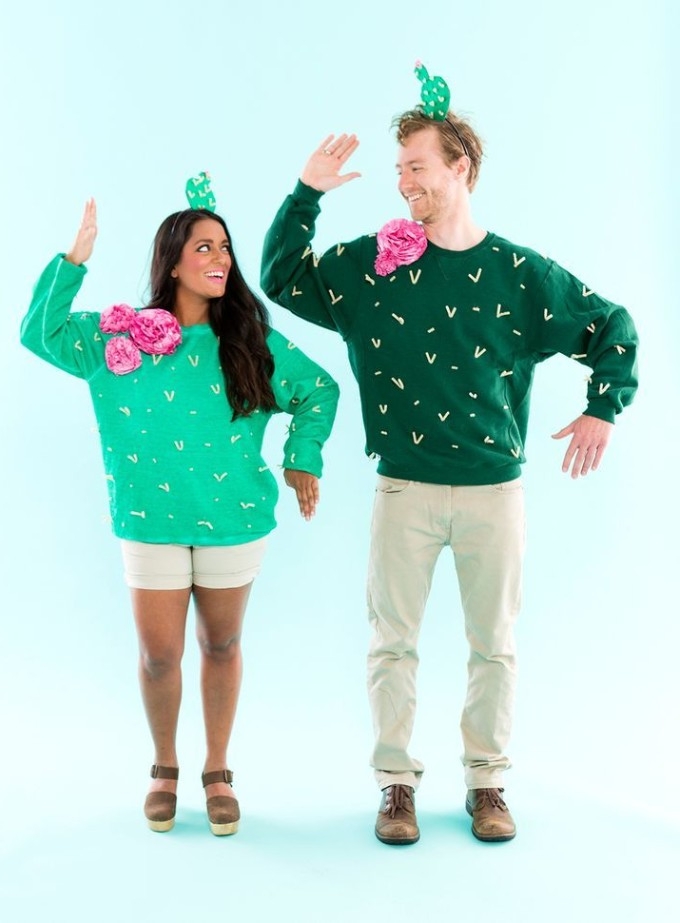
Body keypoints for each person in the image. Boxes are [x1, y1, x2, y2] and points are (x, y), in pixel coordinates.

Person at [260, 64, 638, 845]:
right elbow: (279, 278)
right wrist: (307, 192)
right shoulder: (374, 266)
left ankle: (488, 784)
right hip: (402, 491)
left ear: (459, 166)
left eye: (416, 168)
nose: (403, 184)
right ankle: (395, 784)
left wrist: (604, 407)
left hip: (494, 495)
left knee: (493, 645)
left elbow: (613, 327)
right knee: (391, 642)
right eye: (399, 170)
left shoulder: (523, 275)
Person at [21, 191, 339, 836]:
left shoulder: (250, 342)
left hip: (234, 518)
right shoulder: (118, 339)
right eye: (203, 247)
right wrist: (72, 261)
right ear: (171, 263)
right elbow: (39, 332)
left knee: (221, 644)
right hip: (149, 522)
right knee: (159, 655)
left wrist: (303, 456)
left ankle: (217, 768)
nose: (219, 258)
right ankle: (164, 766)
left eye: (224, 248)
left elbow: (319, 389)